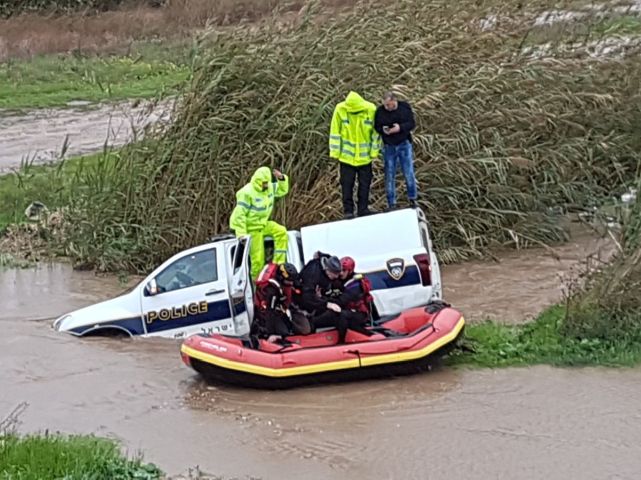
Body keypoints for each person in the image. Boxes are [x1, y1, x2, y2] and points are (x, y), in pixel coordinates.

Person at [229, 166, 289, 280]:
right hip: (251, 229)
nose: (265, 186)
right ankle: (258, 288)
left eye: (267, 183)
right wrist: (241, 233)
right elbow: (239, 215)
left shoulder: (269, 187)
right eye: (263, 183)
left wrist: (281, 179)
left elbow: (282, 190)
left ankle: (278, 265)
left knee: (281, 231)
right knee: (257, 262)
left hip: (263, 224)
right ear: (257, 181)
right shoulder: (246, 193)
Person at [329, 91, 381, 219]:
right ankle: (348, 211)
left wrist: (374, 152)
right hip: (347, 157)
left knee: (365, 184)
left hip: (364, 157)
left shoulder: (371, 109)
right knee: (346, 184)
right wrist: (335, 152)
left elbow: (376, 133)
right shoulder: (340, 109)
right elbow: (335, 131)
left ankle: (363, 209)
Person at [374, 91, 418, 211]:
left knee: (408, 172)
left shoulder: (404, 107)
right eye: (385, 105)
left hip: (404, 143)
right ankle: (391, 203)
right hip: (389, 146)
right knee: (389, 174)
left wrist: (400, 128)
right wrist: (384, 130)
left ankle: (412, 198)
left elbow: (411, 123)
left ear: (394, 101)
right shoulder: (380, 111)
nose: (387, 107)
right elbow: (377, 126)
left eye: (389, 105)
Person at [318, 256, 376, 344]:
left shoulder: (355, 285)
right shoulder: (340, 280)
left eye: (343, 270)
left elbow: (341, 302)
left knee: (342, 315)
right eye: (340, 270)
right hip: (346, 309)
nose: (340, 273)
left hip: (359, 314)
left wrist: (322, 299)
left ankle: (342, 341)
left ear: (349, 271)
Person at [252, 262, 311, 342]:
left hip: (285, 307)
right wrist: (271, 333)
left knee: (306, 328)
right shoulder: (272, 290)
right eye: (289, 281)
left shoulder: (288, 283)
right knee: (283, 332)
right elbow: (270, 312)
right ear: (281, 278)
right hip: (272, 312)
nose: (291, 283)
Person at [293, 253, 344, 330]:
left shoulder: (328, 262)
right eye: (335, 274)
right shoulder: (312, 274)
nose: (336, 277)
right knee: (306, 329)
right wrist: (327, 304)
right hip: (300, 304)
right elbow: (307, 297)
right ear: (327, 269)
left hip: (317, 297)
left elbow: (322, 255)